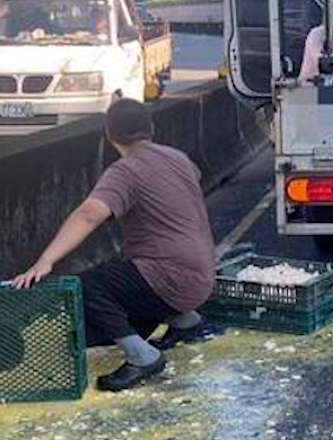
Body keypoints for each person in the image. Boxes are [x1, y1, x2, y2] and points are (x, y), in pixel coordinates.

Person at [13, 99, 216, 392]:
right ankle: (186, 321)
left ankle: (142, 356)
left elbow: (89, 214)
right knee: (127, 272)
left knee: (85, 285)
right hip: (202, 276)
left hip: (171, 279)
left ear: (109, 135)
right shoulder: (178, 158)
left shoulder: (125, 171)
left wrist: (45, 260)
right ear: (150, 128)